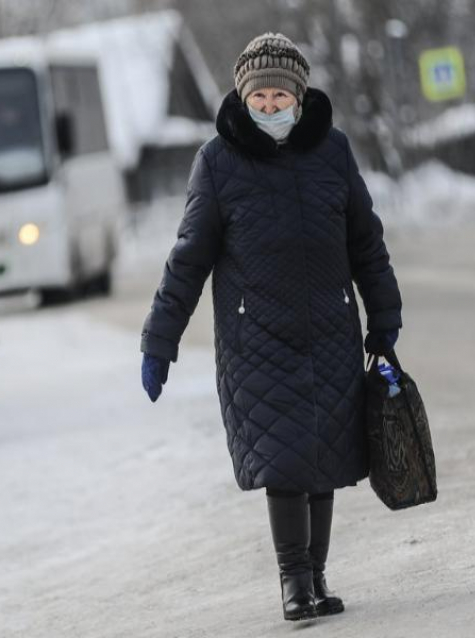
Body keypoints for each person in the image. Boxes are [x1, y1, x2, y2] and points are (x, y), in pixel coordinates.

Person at [140, 33, 402, 622]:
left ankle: (318, 576)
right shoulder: (218, 161)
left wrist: (384, 319)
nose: (269, 106)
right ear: (244, 97)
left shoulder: (331, 152)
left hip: (331, 329)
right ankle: (293, 581)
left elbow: (367, 242)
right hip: (256, 339)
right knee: (285, 459)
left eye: (280, 94)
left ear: (299, 97)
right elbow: (189, 257)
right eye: (259, 97)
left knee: (326, 457)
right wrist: (161, 339)